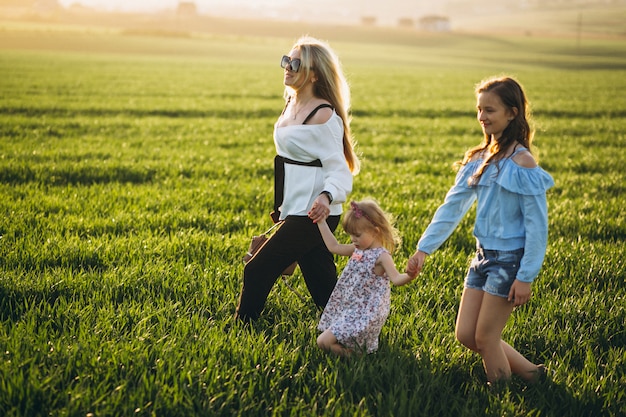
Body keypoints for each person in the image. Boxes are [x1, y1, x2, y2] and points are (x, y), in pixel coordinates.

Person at [406, 76, 554, 386]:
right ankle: (533, 375)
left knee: (486, 338)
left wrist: (525, 276)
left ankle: (501, 396)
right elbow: (452, 208)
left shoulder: (522, 163)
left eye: (490, 110)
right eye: (479, 109)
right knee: (465, 335)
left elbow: (537, 228)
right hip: (482, 257)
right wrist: (423, 249)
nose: (482, 117)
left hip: (509, 262)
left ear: (512, 113)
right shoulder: (478, 159)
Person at [234, 36, 360, 322]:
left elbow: (338, 169)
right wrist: (283, 206)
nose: (287, 67)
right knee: (323, 289)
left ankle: (241, 328)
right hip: (296, 207)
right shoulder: (290, 105)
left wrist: (325, 197)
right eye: (286, 60)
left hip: (314, 213)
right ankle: (354, 328)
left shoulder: (323, 114)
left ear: (314, 74)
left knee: (257, 269)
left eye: (295, 63)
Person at [314, 199, 415, 356]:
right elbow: (333, 247)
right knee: (329, 339)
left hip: (364, 314)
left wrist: (410, 275)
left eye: (357, 235)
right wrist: (321, 223)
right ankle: (357, 351)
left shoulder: (381, 256)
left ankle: (356, 355)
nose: (353, 240)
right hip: (350, 307)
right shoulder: (358, 249)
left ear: (375, 231)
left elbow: (396, 279)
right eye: (351, 235)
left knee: (322, 342)